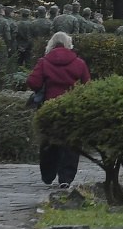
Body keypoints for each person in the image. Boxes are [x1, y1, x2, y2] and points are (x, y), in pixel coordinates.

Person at [27, 31, 90, 188]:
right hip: (72, 108)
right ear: (69, 44)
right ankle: (65, 178)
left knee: (48, 141)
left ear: (51, 43)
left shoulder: (44, 62)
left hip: (49, 108)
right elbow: (87, 86)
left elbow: (33, 82)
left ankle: (48, 175)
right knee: (71, 143)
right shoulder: (79, 63)